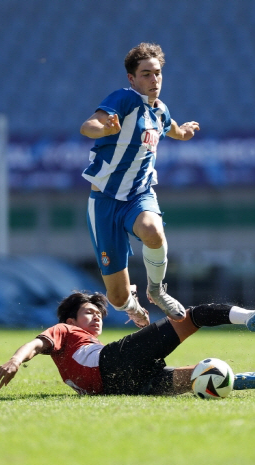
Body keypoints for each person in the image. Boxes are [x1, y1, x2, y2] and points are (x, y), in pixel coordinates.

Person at [79, 42, 200, 327]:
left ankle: (156, 291)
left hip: (138, 195)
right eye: (146, 74)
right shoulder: (124, 99)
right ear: (132, 79)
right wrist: (105, 128)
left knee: (152, 231)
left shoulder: (160, 110)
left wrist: (182, 133)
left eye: (157, 73)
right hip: (105, 202)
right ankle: (132, 307)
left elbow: (170, 126)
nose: (154, 79)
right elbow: (88, 126)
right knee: (117, 297)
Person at [0, 290, 255, 396]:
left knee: (197, 377)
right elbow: (35, 344)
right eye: (88, 313)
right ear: (70, 320)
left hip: (120, 385)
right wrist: (16, 360)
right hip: (115, 363)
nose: (96, 319)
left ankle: (238, 380)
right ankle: (250, 316)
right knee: (192, 316)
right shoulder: (64, 332)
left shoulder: (85, 344)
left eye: (99, 314)